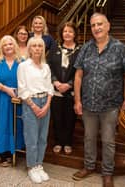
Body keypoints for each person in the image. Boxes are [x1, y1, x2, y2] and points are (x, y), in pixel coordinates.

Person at [72, 12, 125, 187]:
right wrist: (77, 100)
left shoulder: (120, 48)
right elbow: (78, 76)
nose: (96, 28)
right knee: (89, 138)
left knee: (108, 141)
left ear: (107, 26)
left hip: (110, 106)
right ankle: (88, 166)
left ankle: (107, 173)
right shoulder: (86, 48)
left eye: (100, 24)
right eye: (93, 25)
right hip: (88, 104)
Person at [17, 37, 54, 184]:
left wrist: (46, 106)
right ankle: (31, 166)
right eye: (34, 46)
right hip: (30, 102)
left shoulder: (46, 67)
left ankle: (39, 164)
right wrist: (34, 106)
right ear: (29, 49)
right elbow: (22, 89)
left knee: (42, 138)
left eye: (40, 46)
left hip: (45, 102)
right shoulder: (23, 66)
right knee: (31, 138)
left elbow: (50, 88)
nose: (37, 48)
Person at [0, 35, 25, 167]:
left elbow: (25, 79)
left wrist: (19, 93)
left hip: (16, 99)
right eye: (5, 44)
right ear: (1, 48)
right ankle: (1, 153)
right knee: (1, 124)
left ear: (15, 45)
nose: (8, 46)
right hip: (1, 99)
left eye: (10, 44)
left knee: (15, 125)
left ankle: (12, 150)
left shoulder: (21, 61)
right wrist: (6, 89)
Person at [47, 22, 81, 155]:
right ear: (61, 34)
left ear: (75, 34)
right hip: (56, 89)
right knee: (57, 117)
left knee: (70, 118)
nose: (67, 34)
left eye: (70, 31)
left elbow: (82, 70)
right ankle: (58, 142)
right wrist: (55, 82)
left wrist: (69, 84)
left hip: (72, 90)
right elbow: (48, 66)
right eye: (65, 31)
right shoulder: (55, 48)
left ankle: (67, 142)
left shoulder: (80, 50)